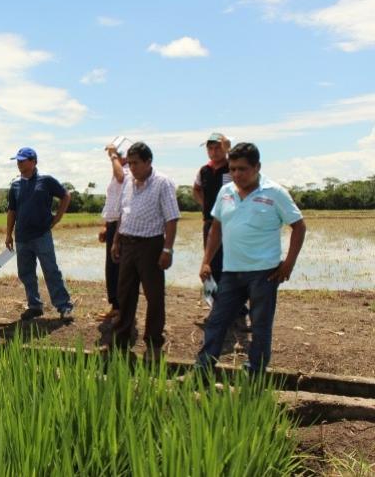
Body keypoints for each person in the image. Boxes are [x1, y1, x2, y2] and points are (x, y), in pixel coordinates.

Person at [196, 142, 306, 374]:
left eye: (242, 169)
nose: (236, 174)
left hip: (264, 273)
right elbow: (216, 227)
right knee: (217, 322)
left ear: (257, 167)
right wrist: (206, 260)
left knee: (260, 326)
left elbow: (299, 226)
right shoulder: (226, 192)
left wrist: (289, 264)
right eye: (233, 169)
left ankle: (254, 373)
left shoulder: (274, 192)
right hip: (231, 272)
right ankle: (202, 370)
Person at [110, 142, 180, 360]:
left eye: (136, 163)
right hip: (128, 244)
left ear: (148, 162)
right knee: (125, 293)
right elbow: (124, 213)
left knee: (154, 295)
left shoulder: (162, 183)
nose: (131, 167)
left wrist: (167, 249)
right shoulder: (129, 182)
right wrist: (116, 241)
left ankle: (153, 341)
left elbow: (171, 218)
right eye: (129, 163)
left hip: (151, 245)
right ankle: (121, 338)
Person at [5, 147, 75, 320]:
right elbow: (12, 211)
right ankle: (35, 305)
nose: (19, 163)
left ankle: (64, 306)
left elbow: (65, 195)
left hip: (42, 235)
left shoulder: (46, 180)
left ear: (33, 161)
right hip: (22, 237)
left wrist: (57, 218)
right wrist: (8, 234)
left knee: (51, 270)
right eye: (18, 160)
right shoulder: (15, 185)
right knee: (26, 273)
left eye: (22, 160)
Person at [192, 132, 250, 325]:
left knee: (233, 265)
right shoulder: (204, 171)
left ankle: (237, 307)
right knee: (212, 265)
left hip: (232, 224)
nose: (214, 151)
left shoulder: (232, 168)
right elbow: (196, 189)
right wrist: (206, 206)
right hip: (210, 223)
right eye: (210, 148)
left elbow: (244, 186)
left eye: (218, 147)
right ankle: (219, 308)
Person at [97, 142, 129, 322]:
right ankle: (116, 306)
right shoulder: (119, 172)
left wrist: (113, 156)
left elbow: (120, 177)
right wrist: (105, 225)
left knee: (119, 265)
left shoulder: (128, 172)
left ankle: (122, 308)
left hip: (122, 224)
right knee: (112, 266)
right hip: (113, 223)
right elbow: (112, 201)